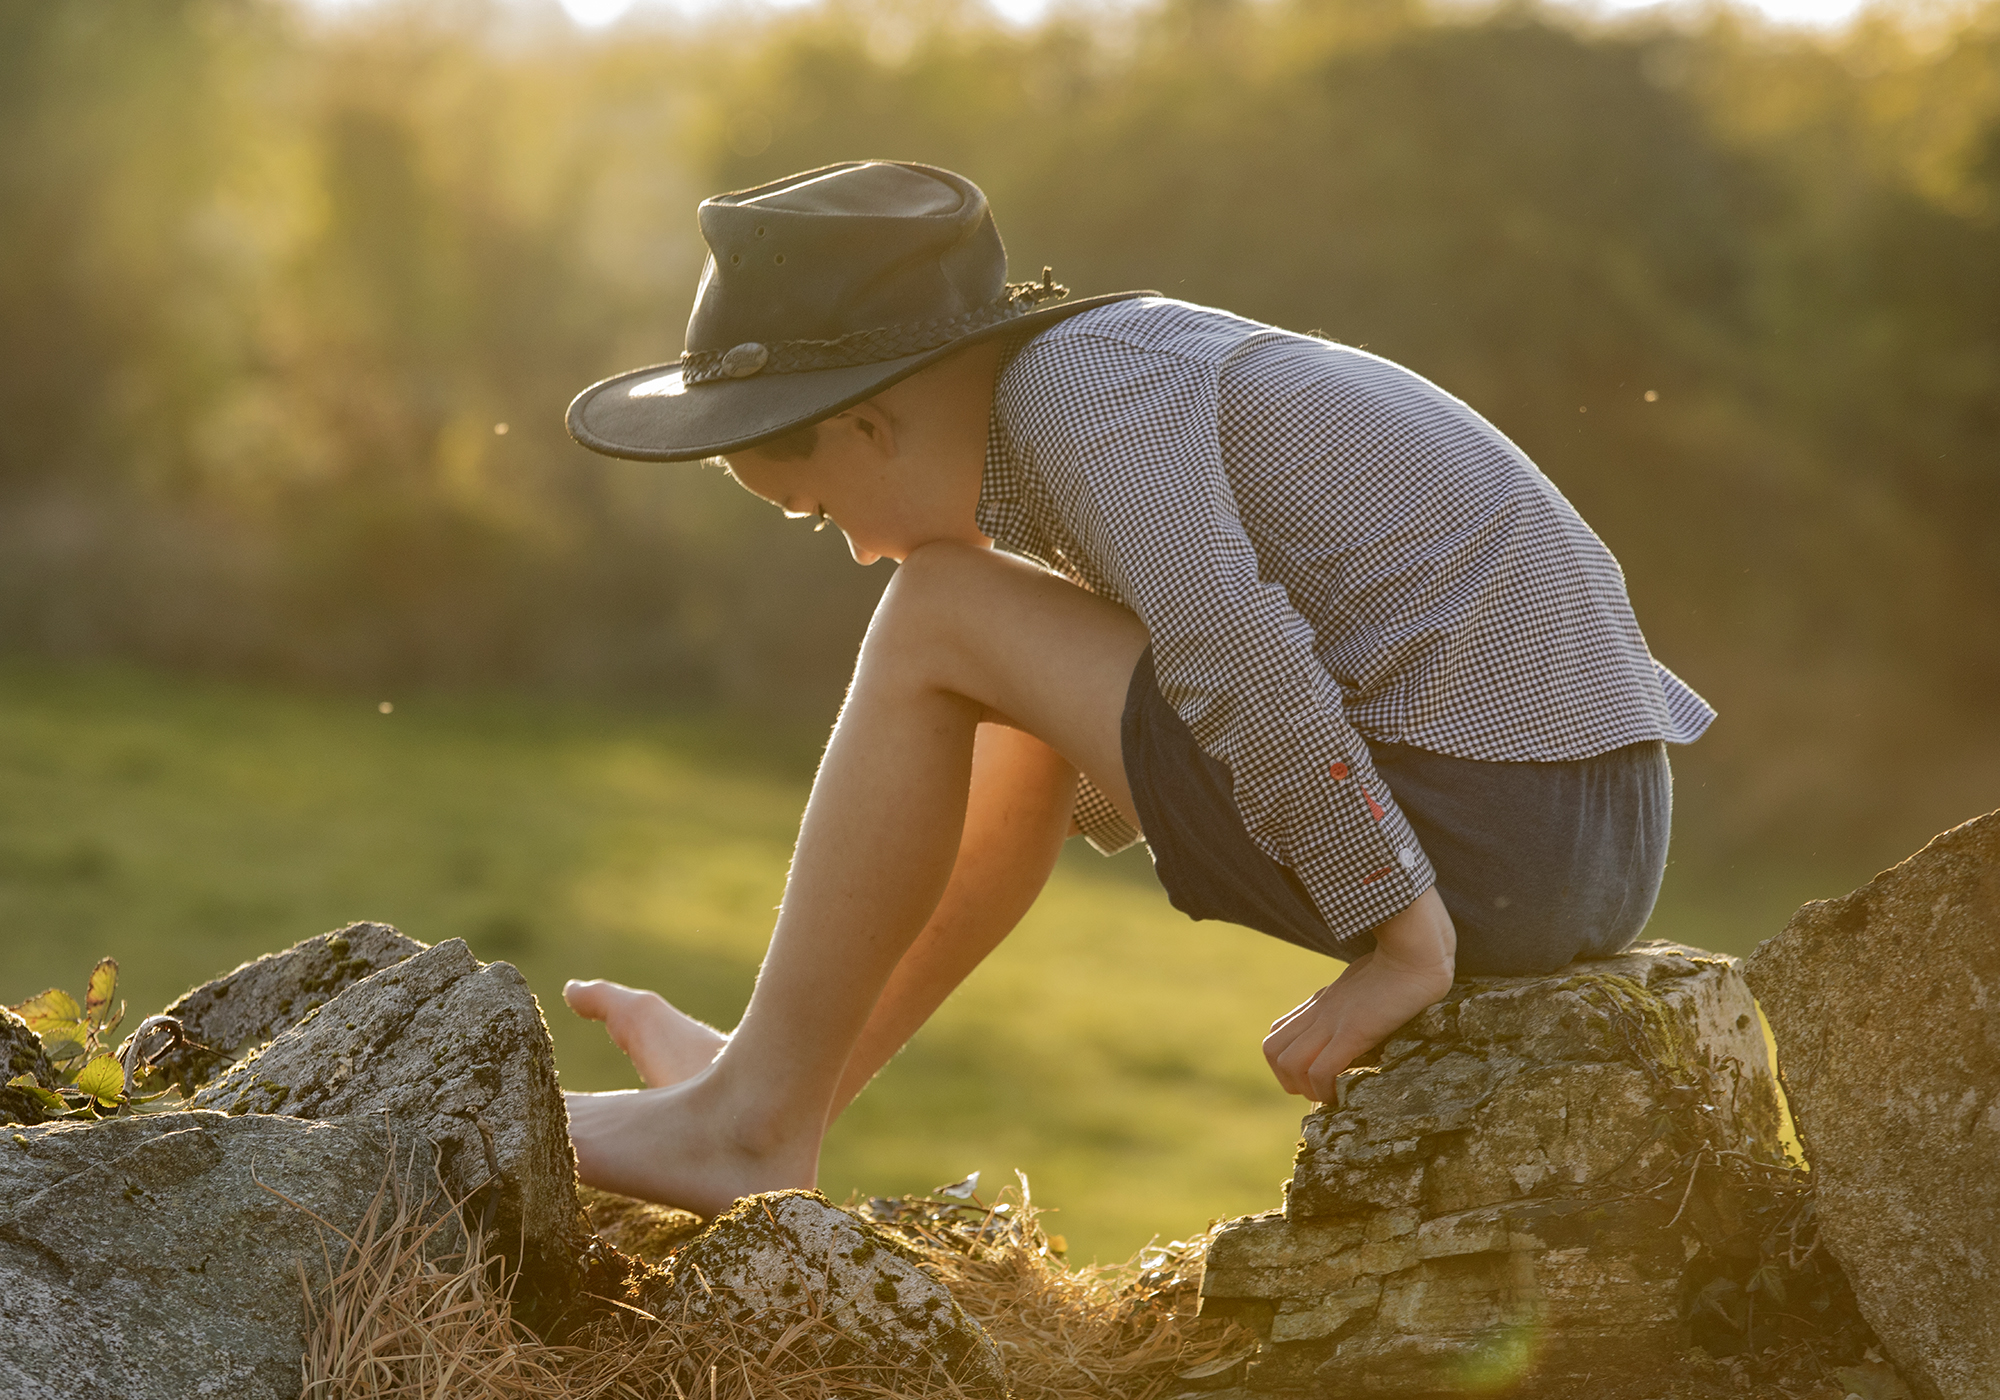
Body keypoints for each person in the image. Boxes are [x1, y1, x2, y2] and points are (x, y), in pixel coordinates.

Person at [558, 160, 1712, 1217]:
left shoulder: (1078, 401)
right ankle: (770, 1092)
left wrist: (1402, 937)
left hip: (1503, 840)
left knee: (936, 611)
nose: (854, 547)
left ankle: (742, 1118)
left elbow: (1234, 651)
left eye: (820, 513)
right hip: (1592, 831)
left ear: (869, 422)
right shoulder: (1105, 366)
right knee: (991, 670)